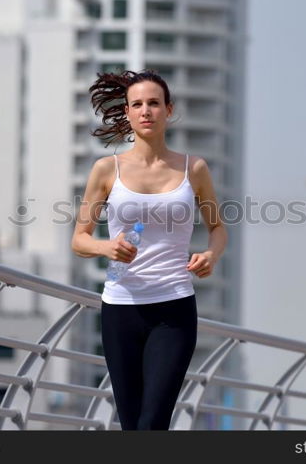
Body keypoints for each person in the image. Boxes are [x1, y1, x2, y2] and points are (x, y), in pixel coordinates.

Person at [71, 69, 228, 430]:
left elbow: (218, 228)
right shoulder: (106, 169)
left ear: (168, 110)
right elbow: (79, 239)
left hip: (173, 307)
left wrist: (211, 255)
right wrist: (106, 247)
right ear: (126, 112)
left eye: (154, 103)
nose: (146, 111)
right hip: (120, 307)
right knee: (131, 424)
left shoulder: (194, 169)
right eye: (137, 104)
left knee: (153, 421)